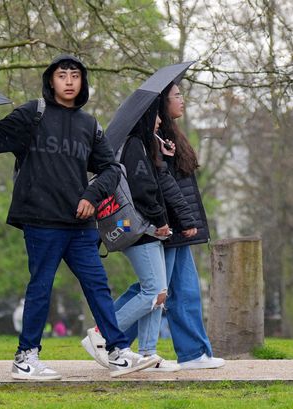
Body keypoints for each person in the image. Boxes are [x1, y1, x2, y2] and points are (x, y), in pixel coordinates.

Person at [0, 55, 158, 380]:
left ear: (83, 82)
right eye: (62, 75)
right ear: (51, 80)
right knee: (41, 287)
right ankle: (25, 358)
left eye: (75, 75)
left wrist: (91, 197)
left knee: (98, 286)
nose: (69, 81)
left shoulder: (89, 125)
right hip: (41, 220)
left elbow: (111, 168)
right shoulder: (33, 114)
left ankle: (117, 352)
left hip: (80, 226)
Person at [96, 83, 224, 370]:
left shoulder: (163, 137)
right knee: (158, 289)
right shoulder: (147, 140)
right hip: (166, 225)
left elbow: (172, 183)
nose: (182, 99)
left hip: (173, 223)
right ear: (159, 106)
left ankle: (137, 346)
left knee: (164, 288)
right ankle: (109, 336)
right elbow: (157, 186)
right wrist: (177, 222)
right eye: (176, 95)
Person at [83, 100, 180, 372]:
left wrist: (163, 159)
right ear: (146, 117)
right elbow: (143, 188)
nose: (160, 122)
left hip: (143, 225)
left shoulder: (141, 146)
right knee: (153, 290)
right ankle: (102, 333)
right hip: (140, 226)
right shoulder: (134, 145)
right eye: (157, 116)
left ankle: (148, 353)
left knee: (157, 291)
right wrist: (160, 220)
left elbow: (154, 182)